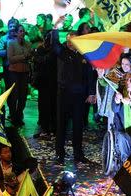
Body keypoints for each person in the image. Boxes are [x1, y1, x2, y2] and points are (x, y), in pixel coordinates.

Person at [52, 29, 97, 164]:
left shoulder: (85, 54)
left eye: (73, 40)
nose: (71, 43)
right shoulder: (62, 52)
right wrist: (55, 28)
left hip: (79, 96)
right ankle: (60, 154)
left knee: (78, 125)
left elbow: (90, 75)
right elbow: (54, 44)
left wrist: (91, 92)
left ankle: (78, 154)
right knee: (62, 125)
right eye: (69, 40)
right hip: (64, 94)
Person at [7, 24, 32, 127]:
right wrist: (23, 56)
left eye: (23, 31)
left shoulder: (28, 44)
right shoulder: (11, 43)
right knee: (14, 95)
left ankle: (19, 115)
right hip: (14, 72)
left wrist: (26, 57)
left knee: (23, 96)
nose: (22, 33)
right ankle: (13, 116)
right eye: (20, 31)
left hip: (24, 72)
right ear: (16, 33)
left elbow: (30, 56)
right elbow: (11, 59)